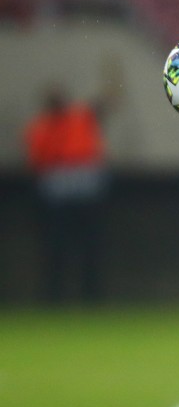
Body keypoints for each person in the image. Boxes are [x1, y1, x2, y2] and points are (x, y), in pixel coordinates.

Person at [24, 86, 110, 303]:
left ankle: (91, 295)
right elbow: (36, 161)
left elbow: (106, 104)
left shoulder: (80, 117)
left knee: (90, 244)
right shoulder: (40, 127)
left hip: (84, 182)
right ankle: (55, 295)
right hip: (57, 184)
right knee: (56, 244)